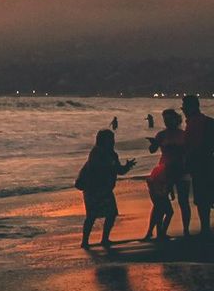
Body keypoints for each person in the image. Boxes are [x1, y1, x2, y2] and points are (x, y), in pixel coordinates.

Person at [74, 128, 136, 248]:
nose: (112, 141)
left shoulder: (113, 154)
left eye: (112, 139)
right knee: (91, 216)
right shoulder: (96, 152)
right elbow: (97, 167)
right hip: (92, 189)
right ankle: (85, 241)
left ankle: (104, 239)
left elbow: (119, 171)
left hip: (106, 189)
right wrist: (111, 166)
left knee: (111, 214)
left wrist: (127, 167)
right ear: (102, 140)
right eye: (110, 139)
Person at [145, 110, 187, 242]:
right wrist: (154, 143)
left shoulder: (183, 134)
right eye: (165, 120)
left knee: (183, 201)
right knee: (160, 203)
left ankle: (185, 230)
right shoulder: (161, 134)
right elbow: (152, 150)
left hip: (181, 169)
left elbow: (188, 150)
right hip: (164, 171)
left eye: (170, 119)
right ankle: (154, 232)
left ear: (177, 119)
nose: (167, 122)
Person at [184, 94, 211, 238]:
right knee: (206, 197)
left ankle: (205, 228)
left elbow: (192, 146)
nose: (183, 110)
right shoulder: (207, 121)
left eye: (184, 107)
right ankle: (205, 227)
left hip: (200, 164)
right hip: (208, 162)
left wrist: (187, 162)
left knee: (202, 198)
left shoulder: (194, 123)